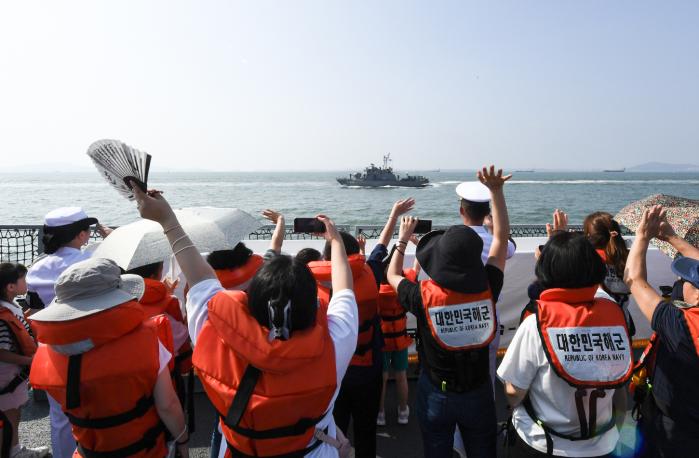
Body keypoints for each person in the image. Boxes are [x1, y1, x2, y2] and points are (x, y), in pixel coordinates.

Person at [129, 182, 358, 457]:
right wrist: (335, 242)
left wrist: (167, 219)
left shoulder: (211, 330)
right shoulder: (336, 344)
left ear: (251, 301)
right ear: (312, 305)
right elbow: (344, 287)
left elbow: (200, 277)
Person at [387, 165, 511, 457]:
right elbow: (501, 239)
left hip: (436, 394)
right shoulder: (488, 286)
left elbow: (392, 275)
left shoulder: (423, 297)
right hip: (478, 391)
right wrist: (496, 191)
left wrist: (403, 238)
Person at [29, 258, 189, 457]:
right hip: (146, 450)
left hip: (88, 452)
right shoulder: (147, 340)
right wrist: (183, 441)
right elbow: (168, 405)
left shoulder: (46, 352)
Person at [498, 230, 633, 457]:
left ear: (546, 273)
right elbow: (619, 385)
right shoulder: (614, 315)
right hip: (604, 443)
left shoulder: (537, 324)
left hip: (544, 443)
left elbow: (513, 391)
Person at [24, 207, 107, 458]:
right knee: (98, 411)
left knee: (59, 416)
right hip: (92, 347)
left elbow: (33, 309)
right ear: (81, 235)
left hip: (51, 349)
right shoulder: (92, 262)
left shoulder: (36, 268)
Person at [624, 205, 699, 456]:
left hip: (678, 431)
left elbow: (634, 279)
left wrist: (643, 236)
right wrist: (670, 236)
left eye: (684, 280)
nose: (679, 282)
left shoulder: (680, 324)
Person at [307, 230, 382, 458]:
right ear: (357, 255)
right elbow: (380, 252)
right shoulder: (372, 274)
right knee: (366, 429)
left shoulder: (312, 288)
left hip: (332, 374)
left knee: (333, 430)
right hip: (367, 372)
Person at [455, 180, 517, 384]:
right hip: (488, 314)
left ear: (461, 210)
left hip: (456, 315)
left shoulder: (449, 241)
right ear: (486, 213)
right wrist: (492, 230)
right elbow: (509, 247)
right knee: (487, 371)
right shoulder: (493, 242)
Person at [366, 199, 415, 427]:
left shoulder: (373, 288)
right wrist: (414, 243)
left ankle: (380, 413)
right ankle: (404, 411)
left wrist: (359, 249)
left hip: (381, 341)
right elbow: (416, 269)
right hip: (400, 341)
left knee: (382, 378)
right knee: (402, 375)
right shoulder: (403, 285)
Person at [0, 263, 50, 458]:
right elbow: (1, 352)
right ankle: (11, 451)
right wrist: (31, 361)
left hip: (12, 376)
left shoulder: (10, 308)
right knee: (9, 415)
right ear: (10, 287)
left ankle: (14, 448)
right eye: (23, 279)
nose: (27, 282)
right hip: (7, 378)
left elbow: (18, 325)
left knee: (14, 412)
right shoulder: (3, 317)